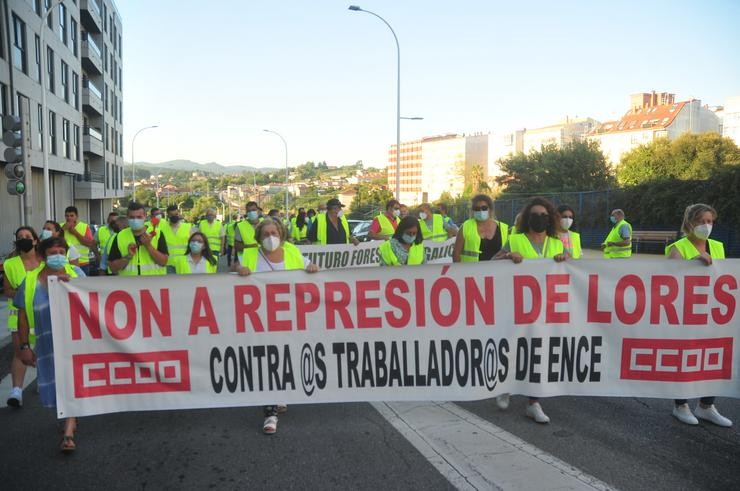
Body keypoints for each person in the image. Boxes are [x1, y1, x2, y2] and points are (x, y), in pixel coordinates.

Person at [233, 218, 319, 434]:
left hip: (290, 315)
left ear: (281, 233)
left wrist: (311, 267)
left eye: (274, 232)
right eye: (265, 234)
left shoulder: (291, 251)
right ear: (259, 237)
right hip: (261, 317)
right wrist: (239, 268)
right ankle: (270, 412)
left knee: (285, 355)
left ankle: (279, 394)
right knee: (267, 359)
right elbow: (236, 266)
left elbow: (308, 265)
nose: (270, 237)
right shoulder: (252, 254)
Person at [493, 197, 567, 424]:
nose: (540, 219)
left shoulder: (557, 244)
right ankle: (506, 385)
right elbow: (491, 263)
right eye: (535, 215)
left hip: (546, 307)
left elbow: (569, 270)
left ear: (550, 219)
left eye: (544, 216)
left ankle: (533, 402)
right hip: (518, 305)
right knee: (514, 346)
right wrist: (506, 256)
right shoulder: (514, 240)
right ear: (527, 218)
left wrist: (566, 259)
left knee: (539, 353)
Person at [15, 236, 84, 451]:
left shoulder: (77, 275)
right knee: (55, 383)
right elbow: (22, 316)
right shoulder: (30, 281)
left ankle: (69, 431)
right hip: (46, 343)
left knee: (71, 381)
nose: (58, 256)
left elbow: (94, 305)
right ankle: (67, 416)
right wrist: (24, 347)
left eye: (61, 252)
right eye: (52, 253)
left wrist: (72, 287)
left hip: (74, 342)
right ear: (43, 256)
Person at [666, 203, 732, 427]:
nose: (706, 225)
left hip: (713, 312)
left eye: (710, 221)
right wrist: (691, 265)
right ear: (690, 223)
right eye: (701, 221)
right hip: (686, 313)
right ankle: (680, 405)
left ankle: (706, 406)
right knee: (686, 357)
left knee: (713, 357)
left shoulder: (718, 246)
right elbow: (669, 281)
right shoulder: (679, 248)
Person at [3, 227, 42, 407]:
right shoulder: (10, 264)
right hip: (18, 315)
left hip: (42, 313)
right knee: (20, 353)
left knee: (45, 349)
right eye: (20, 237)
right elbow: (8, 290)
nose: (24, 239)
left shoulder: (45, 261)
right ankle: (16, 391)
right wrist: (21, 293)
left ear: (35, 240)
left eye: (27, 236)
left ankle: (44, 379)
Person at [108, 202, 169, 276]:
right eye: (132, 217)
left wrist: (148, 246)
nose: (135, 220)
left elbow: (164, 262)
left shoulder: (158, 233)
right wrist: (128, 256)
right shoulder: (120, 236)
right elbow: (113, 268)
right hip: (130, 285)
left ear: (145, 216)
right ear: (127, 217)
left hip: (153, 284)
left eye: (139, 217)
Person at [452, 194, 509, 262]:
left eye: (484, 208)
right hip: (471, 271)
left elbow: (509, 252)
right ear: (473, 211)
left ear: (490, 209)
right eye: (477, 209)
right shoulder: (466, 227)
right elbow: (456, 253)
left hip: (497, 271)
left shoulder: (504, 228)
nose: (481, 211)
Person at [61, 206, 95, 275]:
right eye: (67, 216)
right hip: (66, 263)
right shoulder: (60, 226)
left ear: (77, 216)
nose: (69, 218)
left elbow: (89, 243)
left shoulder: (84, 226)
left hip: (82, 262)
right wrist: (63, 229)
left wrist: (75, 232)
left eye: (72, 215)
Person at [159, 205, 194, 273]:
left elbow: (192, 245)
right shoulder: (162, 229)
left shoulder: (187, 227)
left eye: (176, 214)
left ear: (179, 213)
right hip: (168, 264)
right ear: (168, 215)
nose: (174, 216)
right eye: (171, 214)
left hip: (184, 263)